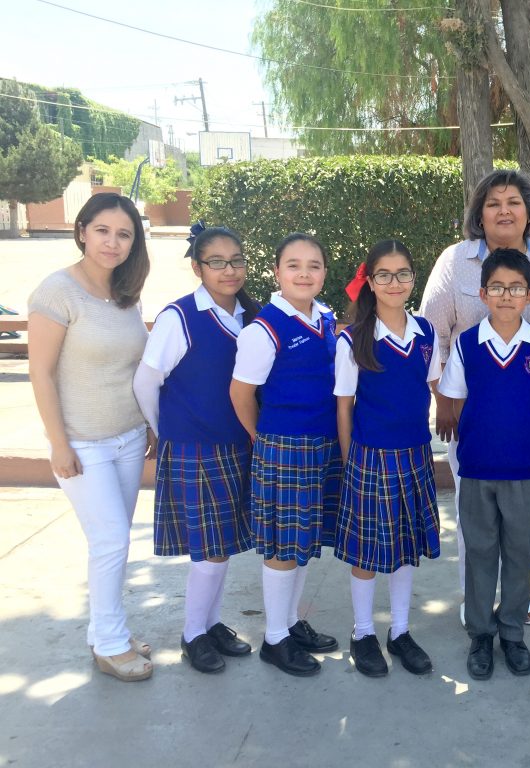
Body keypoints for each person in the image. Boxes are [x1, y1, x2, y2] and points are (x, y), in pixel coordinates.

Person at [421, 169, 530, 627]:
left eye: (513, 202)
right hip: (469, 415)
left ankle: (516, 599)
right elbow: (432, 335)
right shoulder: (455, 262)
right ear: (479, 213)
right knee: (475, 516)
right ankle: (476, 602)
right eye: (493, 203)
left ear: (529, 212)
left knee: (519, 513)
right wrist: (445, 403)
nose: (503, 211)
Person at [27, 193, 154, 682]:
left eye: (124, 234)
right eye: (102, 230)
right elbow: (40, 373)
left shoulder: (126, 293)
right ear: (82, 231)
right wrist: (59, 444)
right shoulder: (57, 292)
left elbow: (134, 366)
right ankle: (110, 644)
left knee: (111, 544)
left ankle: (108, 629)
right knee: (111, 541)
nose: (112, 242)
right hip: (83, 444)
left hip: (128, 437)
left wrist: (149, 424)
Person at [132, 223, 260, 674]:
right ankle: (192, 634)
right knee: (209, 550)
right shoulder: (180, 317)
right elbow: (146, 382)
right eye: (217, 262)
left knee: (221, 545)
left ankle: (211, 623)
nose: (229, 270)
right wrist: (164, 431)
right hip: (195, 447)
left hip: (235, 444)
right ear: (197, 267)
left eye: (237, 260)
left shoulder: (249, 317)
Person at [437, 249, 530, 680]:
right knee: (480, 552)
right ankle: (480, 634)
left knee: (519, 552)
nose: (506, 296)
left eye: (515, 288)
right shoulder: (467, 345)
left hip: (523, 469)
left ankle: (512, 633)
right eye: (497, 287)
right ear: (483, 294)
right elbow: (455, 399)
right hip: (476, 468)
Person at [230, 233, 341, 677]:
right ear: (277, 272)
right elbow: (241, 394)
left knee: (302, 541)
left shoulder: (325, 317)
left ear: (324, 273)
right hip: (285, 448)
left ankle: (291, 623)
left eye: (314, 265)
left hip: (323, 445)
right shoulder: (264, 329)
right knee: (282, 546)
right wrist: (262, 437)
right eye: (293, 265)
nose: (304, 273)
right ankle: (275, 640)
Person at [334, 240, 442, 678]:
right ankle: (363, 632)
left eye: (403, 274)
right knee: (366, 552)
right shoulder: (353, 338)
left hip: (415, 452)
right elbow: (344, 406)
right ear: (371, 282)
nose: (394, 283)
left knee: (405, 547)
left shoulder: (426, 333)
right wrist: (349, 461)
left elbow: (432, 387)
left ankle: (400, 631)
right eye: (384, 275)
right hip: (370, 457)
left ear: (414, 279)